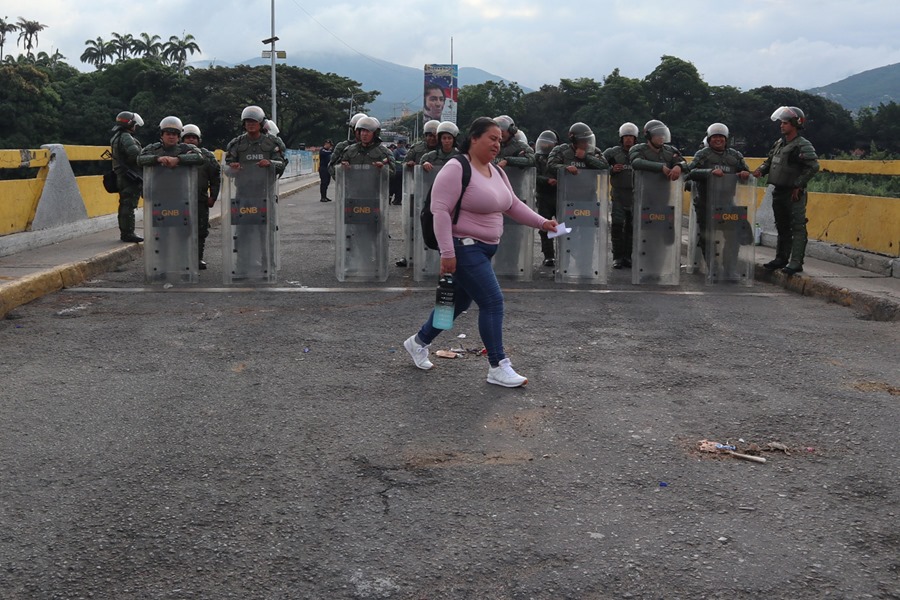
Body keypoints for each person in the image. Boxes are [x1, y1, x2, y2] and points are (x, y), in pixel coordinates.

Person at [402, 117, 559, 387]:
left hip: (485, 249)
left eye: (500, 139)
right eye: (492, 138)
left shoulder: (496, 171)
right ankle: (498, 365)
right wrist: (447, 253)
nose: (497, 144)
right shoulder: (456, 167)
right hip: (464, 247)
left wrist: (543, 223)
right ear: (474, 138)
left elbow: (512, 205)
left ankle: (418, 342)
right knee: (492, 301)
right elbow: (439, 211)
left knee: (458, 303)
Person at [752, 106, 820, 276]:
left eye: (784, 123)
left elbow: (813, 166)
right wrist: (760, 171)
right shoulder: (779, 143)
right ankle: (781, 258)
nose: (781, 126)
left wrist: (798, 184)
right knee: (781, 227)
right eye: (781, 123)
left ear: (795, 124)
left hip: (793, 193)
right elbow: (769, 162)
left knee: (797, 226)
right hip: (778, 190)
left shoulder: (802, 145)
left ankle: (796, 262)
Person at [686, 123, 751, 264]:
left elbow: (747, 175)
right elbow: (688, 172)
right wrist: (709, 172)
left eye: (721, 137)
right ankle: (712, 268)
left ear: (726, 139)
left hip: (727, 203)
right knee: (707, 237)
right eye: (715, 136)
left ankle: (729, 268)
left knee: (733, 235)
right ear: (709, 139)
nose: (718, 139)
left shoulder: (735, 156)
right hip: (706, 202)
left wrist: (745, 174)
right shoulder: (703, 154)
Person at [180, 123, 221, 269]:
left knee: (201, 231)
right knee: (180, 231)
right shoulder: (175, 153)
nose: (191, 140)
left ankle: (197, 259)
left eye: (193, 137)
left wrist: (213, 197)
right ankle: (180, 259)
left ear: (199, 139)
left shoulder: (207, 156)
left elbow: (215, 178)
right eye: (187, 137)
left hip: (200, 200)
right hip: (179, 201)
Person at [603, 122, 638, 269]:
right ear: (621, 138)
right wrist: (611, 169)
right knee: (617, 225)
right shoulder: (612, 153)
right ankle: (617, 257)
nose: (628, 139)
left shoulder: (639, 152)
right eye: (626, 137)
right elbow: (598, 163)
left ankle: (628, 257)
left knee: (632, 227)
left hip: (635, 195)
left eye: (631, 136)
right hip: (618, 194)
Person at [110, 110, 145, 243]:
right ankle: (128, 233)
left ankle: (126, 232)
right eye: (134, 124)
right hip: (129, 176)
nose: (135, 127)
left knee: (124, 204)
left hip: (121, 174)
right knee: (128, 205)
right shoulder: (126, 137)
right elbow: (136, 155)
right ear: (129, 124)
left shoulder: (116, 136)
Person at [225, 105, 286, 176]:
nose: (251, 124)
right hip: (242, 186)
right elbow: (226, 170)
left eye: (254, 121)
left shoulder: (272, 142)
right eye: (248, 122)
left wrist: (270, 163)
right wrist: (233, 168)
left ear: (261, 124)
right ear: (244, 125)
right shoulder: (236, 144)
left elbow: (281, 165)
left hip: (266, 186)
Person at [534, 129, 561, 266]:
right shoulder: (537, 158)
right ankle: (549, 255)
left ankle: (564, 253)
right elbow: (533, 175)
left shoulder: (560, 156)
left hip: (560, 196)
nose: (545, 146)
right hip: (543, 196)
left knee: (563, 226)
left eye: (548, 143)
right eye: (543, 143)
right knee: (545, 227)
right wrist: (546, 181)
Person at [329, 112, 367, 177]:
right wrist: (341, 167)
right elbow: (331, 167)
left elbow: (388, 173)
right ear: (353, 130)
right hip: (349, 185)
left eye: (366, 130)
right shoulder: (343, 146)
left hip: (371, 185)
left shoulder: (378, 148)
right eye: (360, 130)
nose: (363, 133)